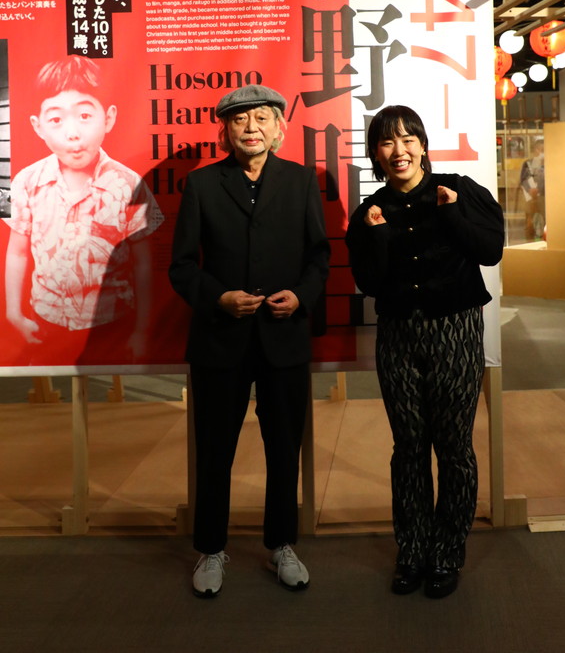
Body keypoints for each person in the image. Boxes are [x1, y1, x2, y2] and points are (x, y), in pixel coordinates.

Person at [169, 83, 330, 598]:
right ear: (225, 131)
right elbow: (181, 266)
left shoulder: (301, 181)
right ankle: (211, 549)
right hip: (221, 340)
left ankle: (282, 544)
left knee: (284, 448)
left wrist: (301, 296)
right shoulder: (202, 185)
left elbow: (319, 256)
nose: (251, 127)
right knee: (215, 451)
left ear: (280, 129)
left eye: (262, 118)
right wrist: (218, 298)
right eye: (240, 120)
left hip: (284, 337)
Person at [345, 105, 504, 599]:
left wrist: (452, 213)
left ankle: (447, 551)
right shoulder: (369, 212)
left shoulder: (457, 189)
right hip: (398, 336)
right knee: (409, 446)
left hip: (455, 329)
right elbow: (369, 283)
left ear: (423, 145)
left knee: (454, 446)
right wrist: (376, 234)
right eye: (387, 142)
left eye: (408, 139)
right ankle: (412, 549)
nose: (400, 150)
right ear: (375, 154)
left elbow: (490, 250)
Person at [5, 55, 163, 362]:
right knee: (53, 379)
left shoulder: (130, 184)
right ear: (38, 126)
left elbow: (143, 264)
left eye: (85, 115)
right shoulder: (24, 181)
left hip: (112, 320)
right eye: (56, 120)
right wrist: (14, 312)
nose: (72, 132)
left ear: (109, 118)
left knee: (108, 382)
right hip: (46, 318)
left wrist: (142, 330)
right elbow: (17, 253)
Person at [519, 138, 545, 240]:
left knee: (544, 222)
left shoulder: (549, 164)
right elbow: (523, 179)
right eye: (541, 150)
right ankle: (530, 241)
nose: (542, 153)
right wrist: (530, 189)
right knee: (530, 222)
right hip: (530, 198)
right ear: (535, 150)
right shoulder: (528, 163)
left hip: (544, 197)